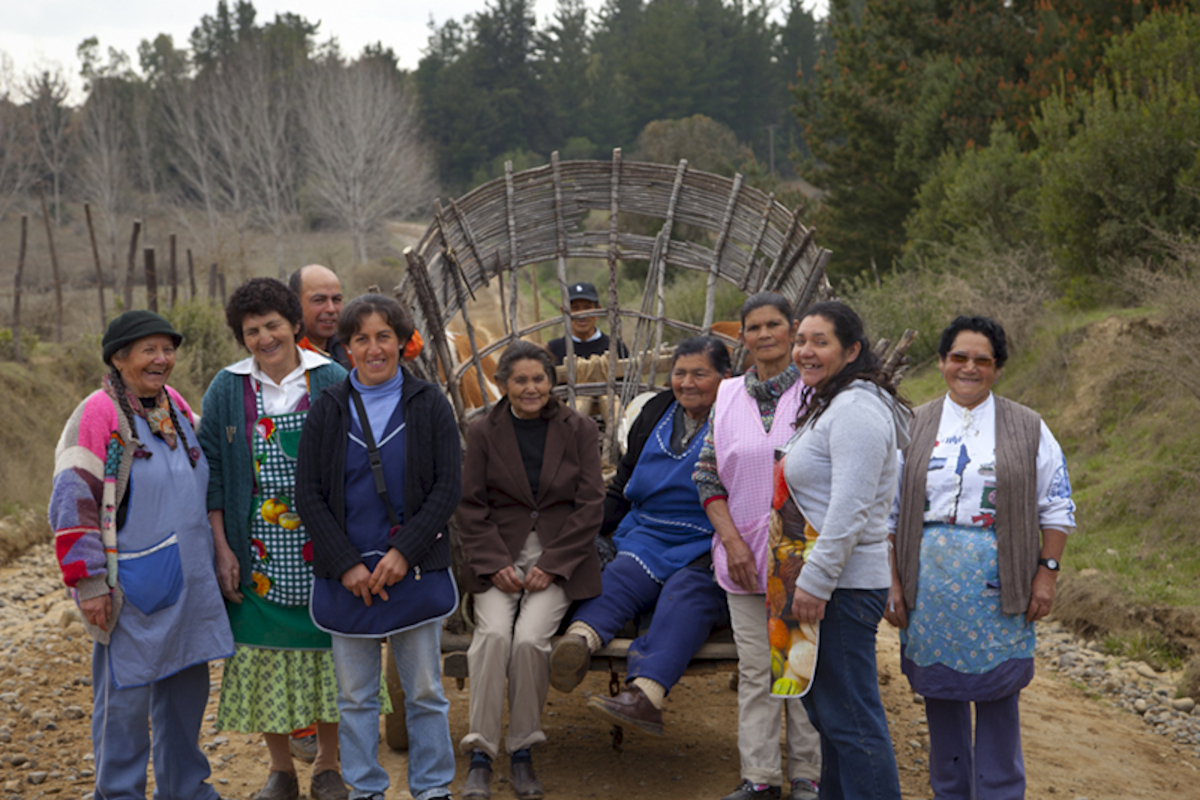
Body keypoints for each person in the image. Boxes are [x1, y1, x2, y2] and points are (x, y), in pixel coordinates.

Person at [885, 316, 1075, 800]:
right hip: (930, 585)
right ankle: (951, 791)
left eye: (982, 360)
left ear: (997, 367)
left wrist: (1046, 574)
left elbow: (1056, 505)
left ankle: (1000, 792)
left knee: (998, 696)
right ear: (943, 362)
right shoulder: (913, 423)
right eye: (959, 357)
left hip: (1000, 584)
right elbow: (886, 513)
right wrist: (894, 583)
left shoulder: (1028, 426)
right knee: (940, 695)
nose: (969, 368)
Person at [49, 310, 235, 799]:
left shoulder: (173, 405)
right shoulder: (98, 414)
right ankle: (118, 793)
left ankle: (186, 791)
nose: (161, 360)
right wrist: (88, 584)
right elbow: (72, 502)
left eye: (168, 349)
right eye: (149, 350)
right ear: (118, 357)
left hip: (190, 583)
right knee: (124, 709)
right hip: (129, 590)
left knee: (185, 699)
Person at [295, 294, 460, 800]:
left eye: (383, 336)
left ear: (403, 343)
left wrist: (404, 551)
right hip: (348, 578)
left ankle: (432, 789)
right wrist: (345, 564)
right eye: (361, 338)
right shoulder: (327, 410)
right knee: (355, 697)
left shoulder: (429, 404)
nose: (373, 348)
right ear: (345, 348)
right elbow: (309, 494)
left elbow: (447, 488)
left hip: (412, 571)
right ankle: (366, 789)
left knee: (427, 693)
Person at [198, 278, 350, 800]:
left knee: (327, 653)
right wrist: (222, 547)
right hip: (254, 548)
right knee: (264, 659)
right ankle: (280, 769)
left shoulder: (332, 377)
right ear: (242, 338)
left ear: (294, 325)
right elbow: (213, 474)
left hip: (324, 547)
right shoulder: (226, 388)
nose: (264, 339)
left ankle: (328, 764)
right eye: (252, 331)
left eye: (273, 326)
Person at [548, 335, 732, 738]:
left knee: (687, 593)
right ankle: (578, 643)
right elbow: (623, 483)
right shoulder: (656, 410)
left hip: (711, 536)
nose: (686, 382)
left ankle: (645, 694)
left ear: (725, 377)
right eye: (679, 373)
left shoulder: (737, 417)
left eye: (700, 374)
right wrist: (586, 530)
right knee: (622, 574)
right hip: (648, 530)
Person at [457, 340, 605, 800]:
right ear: (502, 385)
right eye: (519, 380)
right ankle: (481, 752)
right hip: (497, 553)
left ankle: (522, 749)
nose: (530, 388)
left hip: (559, 556)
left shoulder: (578, 428)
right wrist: (495, 561)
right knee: (495, 635)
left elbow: (590, 503)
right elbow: (470, 505)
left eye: (538, 378)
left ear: (552, 381)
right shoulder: (482, 431)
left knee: (528, 640)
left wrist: (555, 564)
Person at [694, 292, 822, 800]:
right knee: (755, 671)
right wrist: (732, 542)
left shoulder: (817, 392)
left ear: (792, 331)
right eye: (754, 327)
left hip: (801, 555)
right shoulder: (726, 396)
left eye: (774, 325)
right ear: (741, 337)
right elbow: (707, 475)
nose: (764, 334)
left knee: (800, 665)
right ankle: (761, 778)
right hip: (741, 554)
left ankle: (807, 776)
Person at [783, 301, 908, 800]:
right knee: (831, 717)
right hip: (830, 581)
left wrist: (815, 583)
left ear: (852, 350)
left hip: (842, 586)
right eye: (802, 341)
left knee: (852, 719)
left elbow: (851, 510)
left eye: (821, 342)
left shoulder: (856, 411)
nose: (805, 352)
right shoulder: (833, 402)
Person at [545, 281, 628, 366]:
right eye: (575, 308)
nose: (582, 314)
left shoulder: (615, 346)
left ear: (598, 311)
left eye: (587, 308)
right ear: (563, 312)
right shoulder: (552, 350)